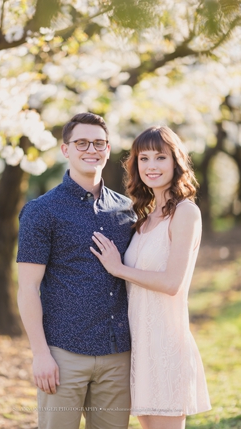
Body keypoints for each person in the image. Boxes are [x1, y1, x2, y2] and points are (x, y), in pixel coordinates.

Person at [16, 112, 137, 428]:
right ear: (65, 149)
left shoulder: (127, 210)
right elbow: (28, 288)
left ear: (108, 149)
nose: (91, 150)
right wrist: (40, 354)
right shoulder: (41, 212)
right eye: (81, 142)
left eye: (98, 143)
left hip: (117, 355)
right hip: (63, 355)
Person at [90, 125, 211, 428]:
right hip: (139, 346)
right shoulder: (143, 219)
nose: (151, 166)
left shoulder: (185, 213)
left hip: (166, 345)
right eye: (143, 159)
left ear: (176, 162)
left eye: (160, 157)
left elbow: (172, 283)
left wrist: (119, 269)